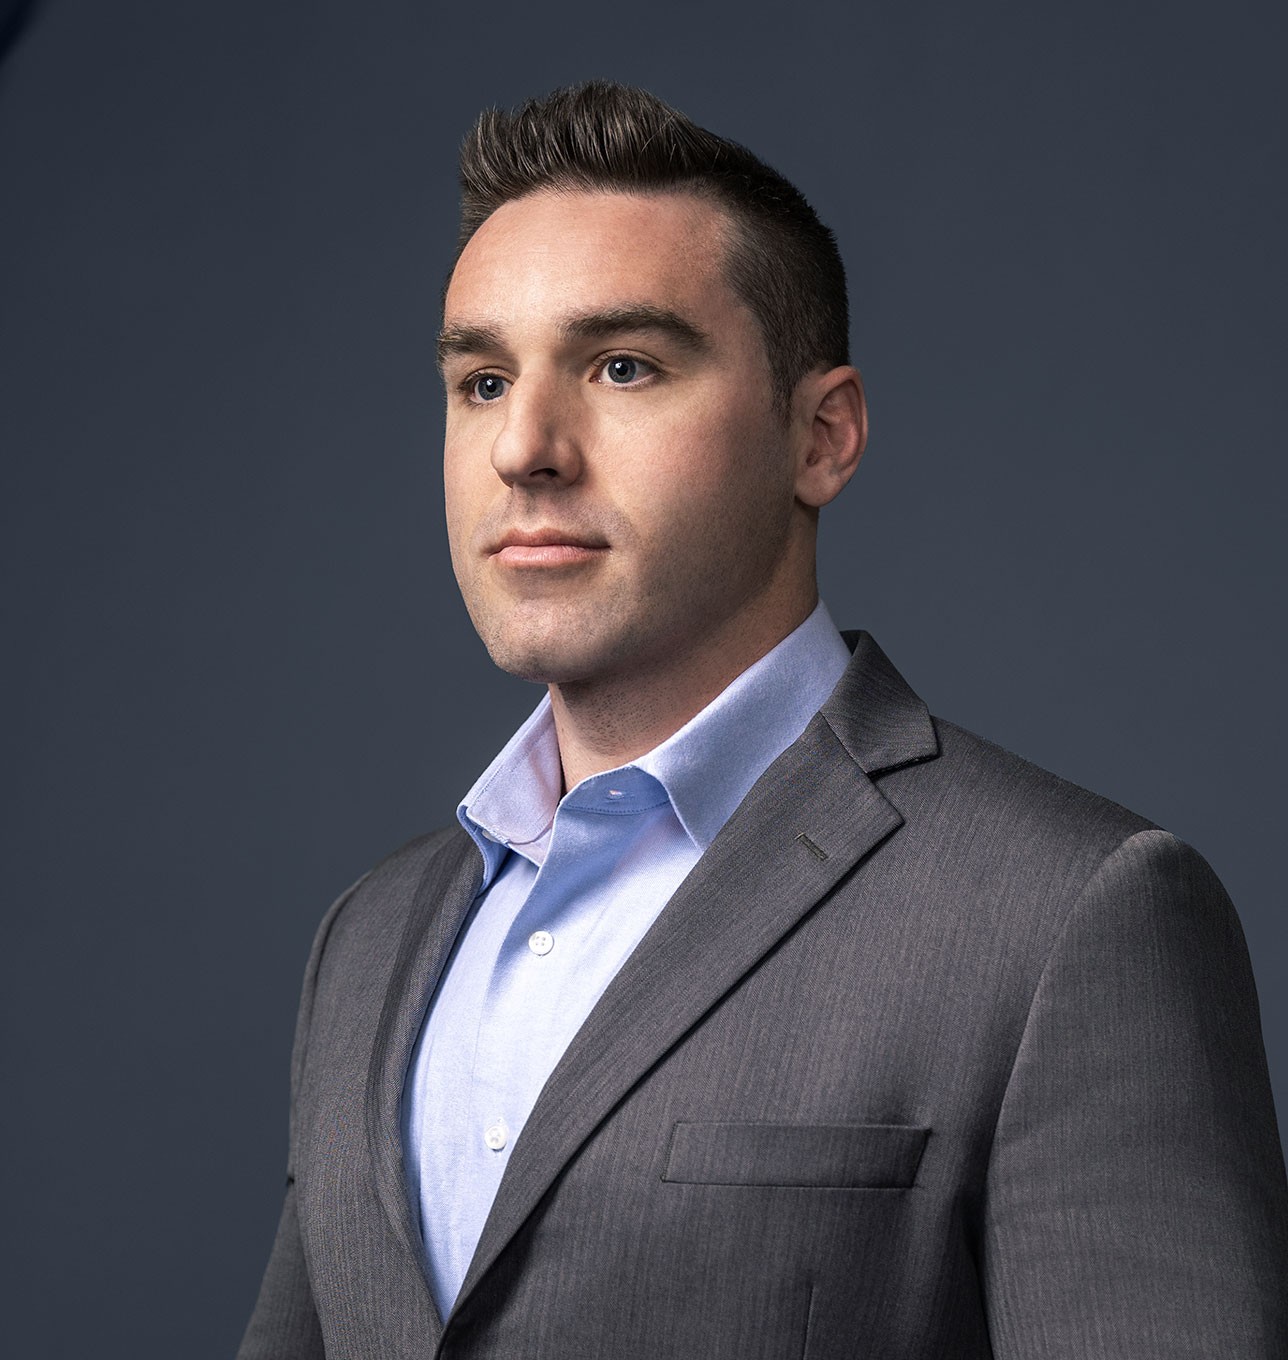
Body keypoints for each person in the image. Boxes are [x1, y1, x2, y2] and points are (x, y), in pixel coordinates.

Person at [238, 82, 1288, 1359]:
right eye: (482, 380)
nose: (524, 446)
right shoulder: (367, 940)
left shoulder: (1071, 915)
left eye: (623, 366)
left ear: (821, 436)